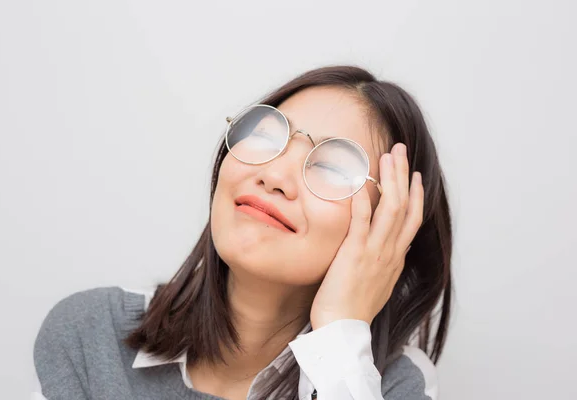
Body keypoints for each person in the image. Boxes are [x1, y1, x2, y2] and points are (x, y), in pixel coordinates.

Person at [32, 65, 453, 400]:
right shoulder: (91, 334)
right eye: (267, 136)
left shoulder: (392, 384)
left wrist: (340, 338)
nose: (273, 176)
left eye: (332, 166)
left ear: (390, 228)